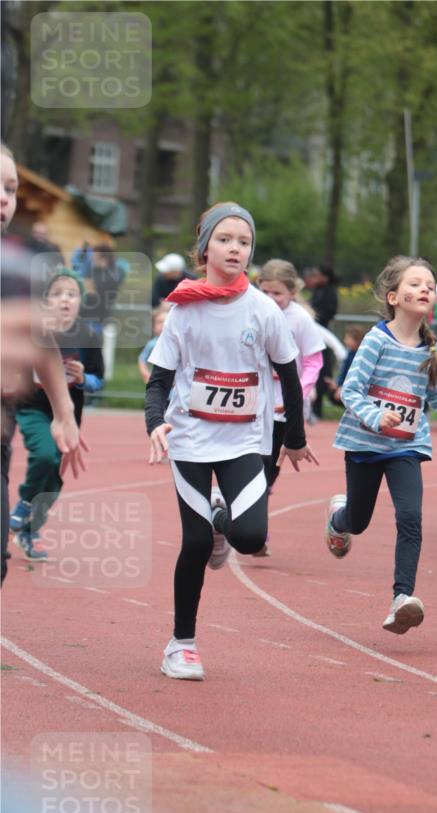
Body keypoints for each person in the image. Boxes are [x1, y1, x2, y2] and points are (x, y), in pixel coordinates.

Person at [144, 202, 317, 681]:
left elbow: (288, 372)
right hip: (191, 441)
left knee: (250, 537)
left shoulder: (263, 310)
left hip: (245, 441)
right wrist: (155, 423)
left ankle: (226, 520)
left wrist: (296, 438)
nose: (236, 248)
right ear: (204, 249)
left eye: (244, 241)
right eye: (225, 239)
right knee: (196, 542)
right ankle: (181, 644)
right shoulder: (184, 310)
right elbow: (157, 380)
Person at [326, 256, 437, 633]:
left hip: (406, 447)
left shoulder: (431, 347)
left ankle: (401, 598)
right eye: (415, 283)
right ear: (393, 296)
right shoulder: (377, 340)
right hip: (364, 444)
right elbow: (351, 391)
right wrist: (376, 417)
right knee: (357, 522)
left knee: (410, 517)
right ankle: (338, 518)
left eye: (429, 284)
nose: (425, 289)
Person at [1, 143, 87, 584]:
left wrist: (65, 412)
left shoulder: (19, 266)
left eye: (11, 189)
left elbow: (43, 343)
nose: (4, 198)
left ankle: (23, 525)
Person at [9, 267, 103, 559]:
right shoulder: (34, 330)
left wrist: (82, 378)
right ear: (46, 301)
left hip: (69, 416)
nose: (65, 300)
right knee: (46, 456)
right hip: (32, 408)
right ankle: (24, 504)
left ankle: (30, 530)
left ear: (79, 302)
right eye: (58, 293)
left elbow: (99, 381)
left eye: (72, 294)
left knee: (56, 479)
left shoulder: (88, 335)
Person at [256, 258, 324, 554]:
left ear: (293, 292)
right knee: (252, 468)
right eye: (265, 292)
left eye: (277, 294)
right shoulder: (252, 313)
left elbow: (313, 361)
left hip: (285, 407)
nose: (270, 299)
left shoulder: (299, 320)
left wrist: (298, 391)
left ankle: (256, 529)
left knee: (269, 471)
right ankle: (252, 527)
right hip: (254, 401)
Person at [309, 264, 339, 419]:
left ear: (325, 277)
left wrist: (316, 319)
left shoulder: (330, 292)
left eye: (317, 275)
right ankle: (312, 408)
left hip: (322, 336)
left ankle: (322, 406)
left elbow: (328, 312)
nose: (315, 278)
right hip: (311, 334)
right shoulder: (317, 291)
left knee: (323, 373)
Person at [324, 324, 366, 404]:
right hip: (348, 386)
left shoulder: (361, 356)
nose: (345, 341)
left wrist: (343, 388)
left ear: (357, 340)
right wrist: (337, 384)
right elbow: (344, 373)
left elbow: (355, 376)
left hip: (357, 388)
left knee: (339, 395)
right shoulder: (350, 353)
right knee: (331, 392)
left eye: (347, 338)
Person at [138, 301, 171, 384]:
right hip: (156, 381)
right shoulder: (152, 344)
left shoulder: (176, 344)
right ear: (153, 327)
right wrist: (145, 373)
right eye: (159, 322)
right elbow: (142, 358)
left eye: (166, 322)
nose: (163, 325)